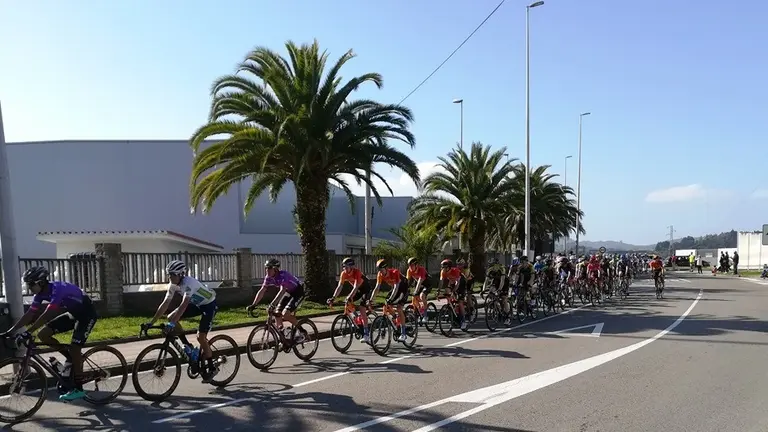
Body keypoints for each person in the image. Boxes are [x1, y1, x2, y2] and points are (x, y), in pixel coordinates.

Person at [2, 266, 97, 401]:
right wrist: (10, 331)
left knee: (75, 348)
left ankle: (78, 389)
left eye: (31, 284)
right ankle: (71, 358)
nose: (29, 288)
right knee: (43, 335)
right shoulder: (39, 295)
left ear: (41, 282)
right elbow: (30, 314)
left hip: (87, 315)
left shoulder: (58, 289)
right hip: (73, 313)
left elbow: (49, 313)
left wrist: (29, 332)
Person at [148, 260, 219, 382]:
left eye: (172, 274)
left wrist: (172, 324)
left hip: (209, 305)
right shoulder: (173, 284)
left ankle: (212, 368)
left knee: (201, 337)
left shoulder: (189, 283)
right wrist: (152, 322)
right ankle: (188, 346)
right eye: (169, 274)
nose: (170, 277)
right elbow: (165, 304)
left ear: (181, 274)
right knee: (170, 316)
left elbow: (183, 305)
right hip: (197, 304)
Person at [248, 259, 306, 343]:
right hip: (288, 292)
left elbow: (282, 291)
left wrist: (272, 304)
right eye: (266, 268)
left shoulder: (283, 275)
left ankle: (302, 331)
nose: (267, 270)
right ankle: (283, 338)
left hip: (298, 292)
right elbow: (262, 290)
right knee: (276, 312)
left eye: (269, 268)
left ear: (275, 269)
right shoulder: (268, 277)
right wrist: (254, 304)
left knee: (285, 314)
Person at [328, 258, 373, 329]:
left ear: (351, 267)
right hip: (358, 290)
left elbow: (355, 287)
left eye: (346, 267)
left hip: (366, 289)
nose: (344, 268)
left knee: (362, 307)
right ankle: (357, 318)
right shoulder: (343, 274)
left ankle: (366, 331)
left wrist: (350, 296)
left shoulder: (357, 272)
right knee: (348, 302)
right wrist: (333, 298)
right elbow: (340, 286)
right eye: (343, 266)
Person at [374, 259, 410, 342]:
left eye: (381, 269)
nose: (380, 271)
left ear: (386, 268)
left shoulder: (394, 272)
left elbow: (396, 287)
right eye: (379, 270)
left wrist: (390, 299)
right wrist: (371, 299)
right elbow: (377, 288)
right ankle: (396, 318)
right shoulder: (380, 275)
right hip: (395, 289)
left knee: (399, 308)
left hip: (403, 288)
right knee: (386, 306)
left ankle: (403, 333)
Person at [440, 259, 469, 330]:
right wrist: (438, 291)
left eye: (445, 267)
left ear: (449, 267)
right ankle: (451, 311)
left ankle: (463, 320)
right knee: (447, 294)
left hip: (461, 283)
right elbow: (441, 282)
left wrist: (453, 291)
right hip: (452, 283)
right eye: (442, 267)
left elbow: (457, 283)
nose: (443, 269)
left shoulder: (455, 271)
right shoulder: (443, 272)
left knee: (459, 301)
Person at [406, 257, 431, 323]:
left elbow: (420, 281)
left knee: (422, 296)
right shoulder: (409, 271)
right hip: (419, 285)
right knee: (413, 298)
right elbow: (407, 281)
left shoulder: (421, 270)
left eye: (412, 265)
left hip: (426, 284)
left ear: (416, 265)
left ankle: (425, 315)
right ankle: (419, 311)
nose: (410, 267)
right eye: (409, 265)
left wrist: (416, 291)